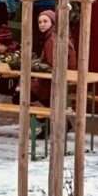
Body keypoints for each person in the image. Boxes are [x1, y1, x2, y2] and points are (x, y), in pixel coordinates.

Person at [33, 9, 77, 139]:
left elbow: (53, 65)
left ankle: (47, 124)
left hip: (53, 81)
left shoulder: (52, 40)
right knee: (46, 100)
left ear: (53, 22)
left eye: (45, 21)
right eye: (40, 22)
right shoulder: (56, 36)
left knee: (19, 96)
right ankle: (61, 123)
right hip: (56, 80)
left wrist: (34, 65)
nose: (42, 24)